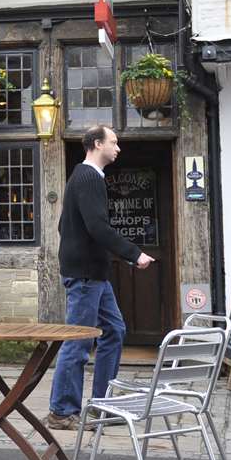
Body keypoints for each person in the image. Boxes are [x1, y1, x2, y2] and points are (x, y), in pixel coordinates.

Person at [46, 125, 154, 430]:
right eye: (114, 143)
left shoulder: (85, 178)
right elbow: (97, 227)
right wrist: (134, 253)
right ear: (97, 144)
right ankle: (61, 411)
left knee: (115, 331)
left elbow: (65, 228)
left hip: (94, 273)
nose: (118, 148)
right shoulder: (88, 178)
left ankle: (101, 405)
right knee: (78, 342)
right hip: (85, 276)